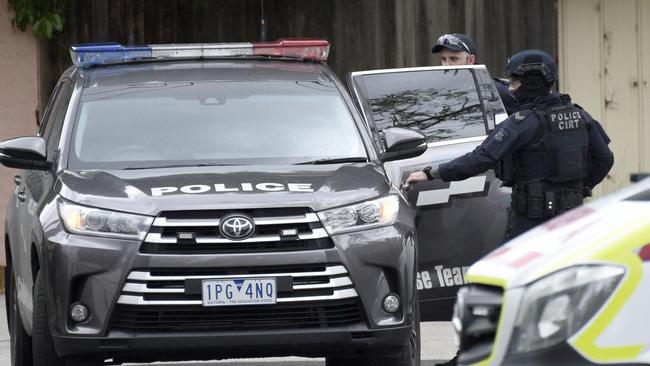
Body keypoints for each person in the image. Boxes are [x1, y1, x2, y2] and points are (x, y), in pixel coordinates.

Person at [404, 49, 614, 244]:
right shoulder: (579, 115)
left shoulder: (524, 122)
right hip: (573, 218)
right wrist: (580, 189)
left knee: (511, 274)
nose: (511, 88)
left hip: (532, 221)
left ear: (532, 82)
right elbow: (605, 159)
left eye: (516, 82)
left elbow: (481, 158)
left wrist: (431, 173)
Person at [432, 33, 517, 114]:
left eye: (454, 59)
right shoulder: (438, 92)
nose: (447, 65)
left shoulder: (494, 91)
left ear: (470, 60)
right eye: (444, 59)